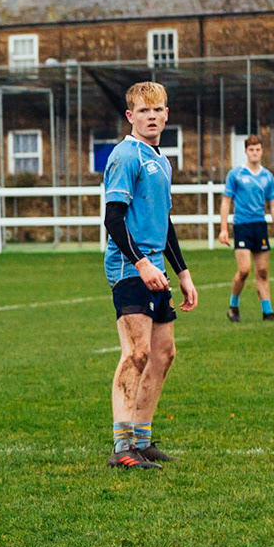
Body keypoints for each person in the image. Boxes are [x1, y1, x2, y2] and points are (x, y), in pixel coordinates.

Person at [103, 81, 197, 470]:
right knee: (137, 352)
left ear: (167, 115)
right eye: (144, 110)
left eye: (158, 110)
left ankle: (142, 439)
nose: (152, 116)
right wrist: (141, 263)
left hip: (156, 265)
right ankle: (121, 446)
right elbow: (113, 219)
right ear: (131, 116)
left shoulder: (162, 160)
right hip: (130, 266)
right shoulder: (126, 156)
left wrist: (183, 272)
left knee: (163, 353)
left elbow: (164, 221)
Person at [221, 134, 274, 322]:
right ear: (246, 152)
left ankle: (267, 312)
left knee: (263, 271)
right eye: (251, 150)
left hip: (259, 226)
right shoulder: (236, 174)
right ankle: (233, 307)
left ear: (262, 151)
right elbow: (226, 201)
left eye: (257, 149)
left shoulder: (267, 176)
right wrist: (223, 228)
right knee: (244, 270)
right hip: (242, 225)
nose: (254, 153)